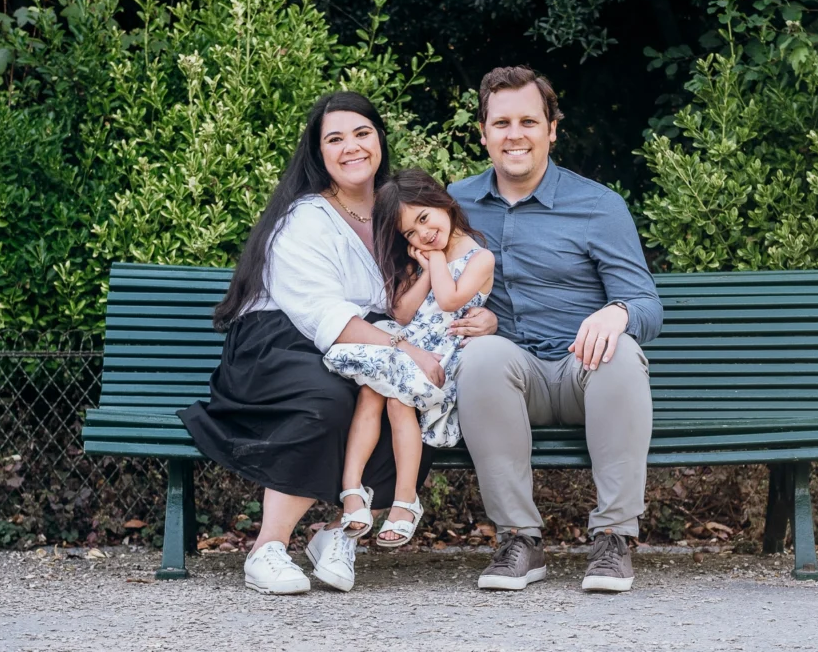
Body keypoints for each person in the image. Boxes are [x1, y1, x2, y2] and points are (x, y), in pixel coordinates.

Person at [179, 92, 498, 595]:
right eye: (335, 139)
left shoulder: (401, 214)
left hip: (365, 340)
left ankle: (336, 533)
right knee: (328, 400)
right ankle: (268, 546)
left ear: (379, 139)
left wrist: (484, 318)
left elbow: (440, 291)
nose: (351, 147)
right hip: (279, 343)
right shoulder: (305, 218)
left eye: (362, 133)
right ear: (318, 153)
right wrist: (403, 348)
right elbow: (324, 316)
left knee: (413, 400)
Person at [447, 65, 663, 593]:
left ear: (552, 129)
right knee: (480, 357)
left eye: (528, 121)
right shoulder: (454, 205)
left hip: (580, 371)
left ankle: (613, 539)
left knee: (621, 352)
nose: (514, 134)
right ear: (483, 132)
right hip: (509, 376)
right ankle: (519, 540)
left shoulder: (597, 206)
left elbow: (646, 306)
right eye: (501, 123)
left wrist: (618, 313)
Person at [323, 169, 494, 547]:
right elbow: (401, 313)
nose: (423, 235)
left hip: (438, 355)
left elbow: (450, 301)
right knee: (371, 392)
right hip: (404, 343)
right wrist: (424, 268)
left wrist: (432, 261)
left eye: (423, 218)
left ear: (442, 202)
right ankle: (352, 489)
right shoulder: (422, 260)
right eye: (410, 234)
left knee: (399, 402)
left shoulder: (479, 257)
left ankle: (405, 500)